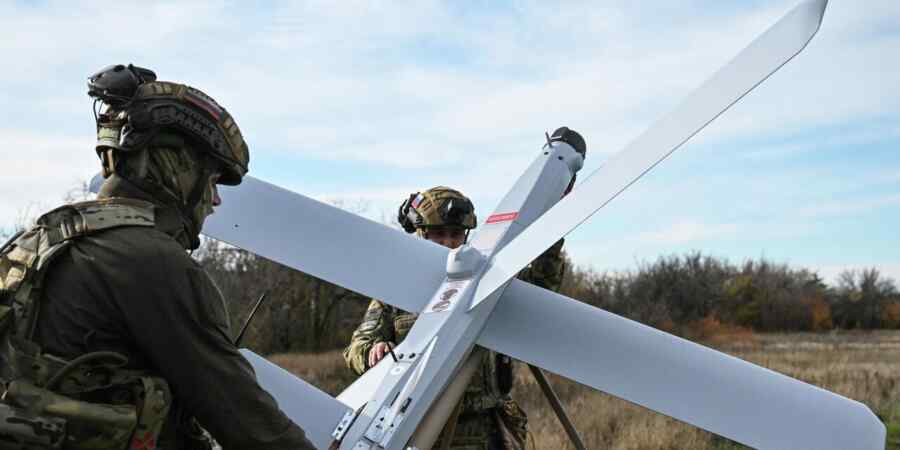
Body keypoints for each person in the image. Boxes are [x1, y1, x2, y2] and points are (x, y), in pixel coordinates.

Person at [0, 64, 315, 449]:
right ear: (175, 165)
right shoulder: (152, 262)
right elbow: (251, 425)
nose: (214, 201)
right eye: (212, 180)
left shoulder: (40, 241)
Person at [343, 186, 569, 450]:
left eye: (455, 234)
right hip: (424, 432)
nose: (449, 243)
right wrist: (374, 352)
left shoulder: (490, 283)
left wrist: (554, 220)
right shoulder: (397, 294)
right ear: (419, 235)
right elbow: (356, 348)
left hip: (489, 432)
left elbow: (541, 285)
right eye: (438, 235)